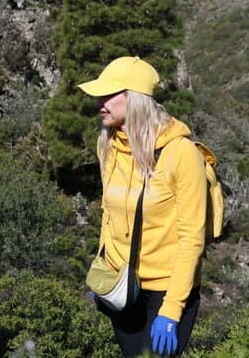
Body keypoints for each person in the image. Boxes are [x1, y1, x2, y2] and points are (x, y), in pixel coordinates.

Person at [77, 57, 207, 357]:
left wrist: (171, 310)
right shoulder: (108, 145)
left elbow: (192, 237)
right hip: (124, 289)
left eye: (109, 94)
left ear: (134, 100)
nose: (100, 102)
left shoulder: (181, 153)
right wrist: (104, 267)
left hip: (168, 290)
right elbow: (108, 214)